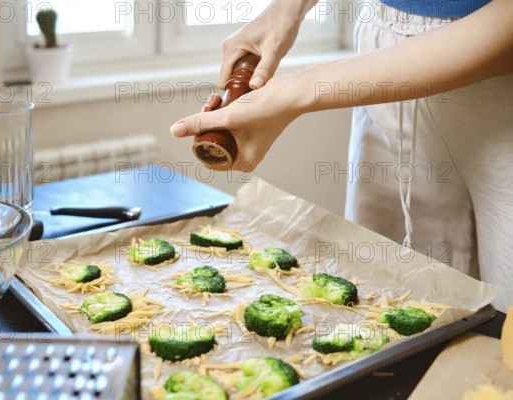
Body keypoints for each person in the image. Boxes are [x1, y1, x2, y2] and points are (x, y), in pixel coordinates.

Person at [169, 0, 513, 311]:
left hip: (497, 74)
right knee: (384, 289)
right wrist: (288, 7)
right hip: (383, 57)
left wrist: (298, 91)